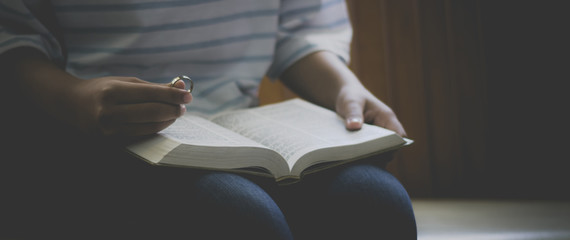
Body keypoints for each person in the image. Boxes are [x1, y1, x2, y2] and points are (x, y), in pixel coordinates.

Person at [1, 0, 416, 239]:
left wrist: (345, 88)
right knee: (236, 214)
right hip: (99, 133)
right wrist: (75, 98)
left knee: (376, 200)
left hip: (239, 127)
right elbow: (15, 37)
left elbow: (300, 30)